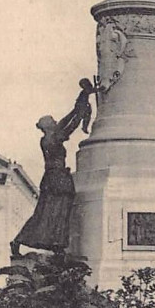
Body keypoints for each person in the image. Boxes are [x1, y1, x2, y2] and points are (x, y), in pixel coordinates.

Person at [10, 83, 92, 256]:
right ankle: (29, 241)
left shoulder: (49, 136)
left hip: (54, 177)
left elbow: (67, 119)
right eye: (53, 121)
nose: (56, 122)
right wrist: (82, 103)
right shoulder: (51, 139)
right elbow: (71, 125)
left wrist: (82, 98)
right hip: (57, 178)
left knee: (51, 212)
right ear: (47, 126)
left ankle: (54, 244)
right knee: (54, 212)